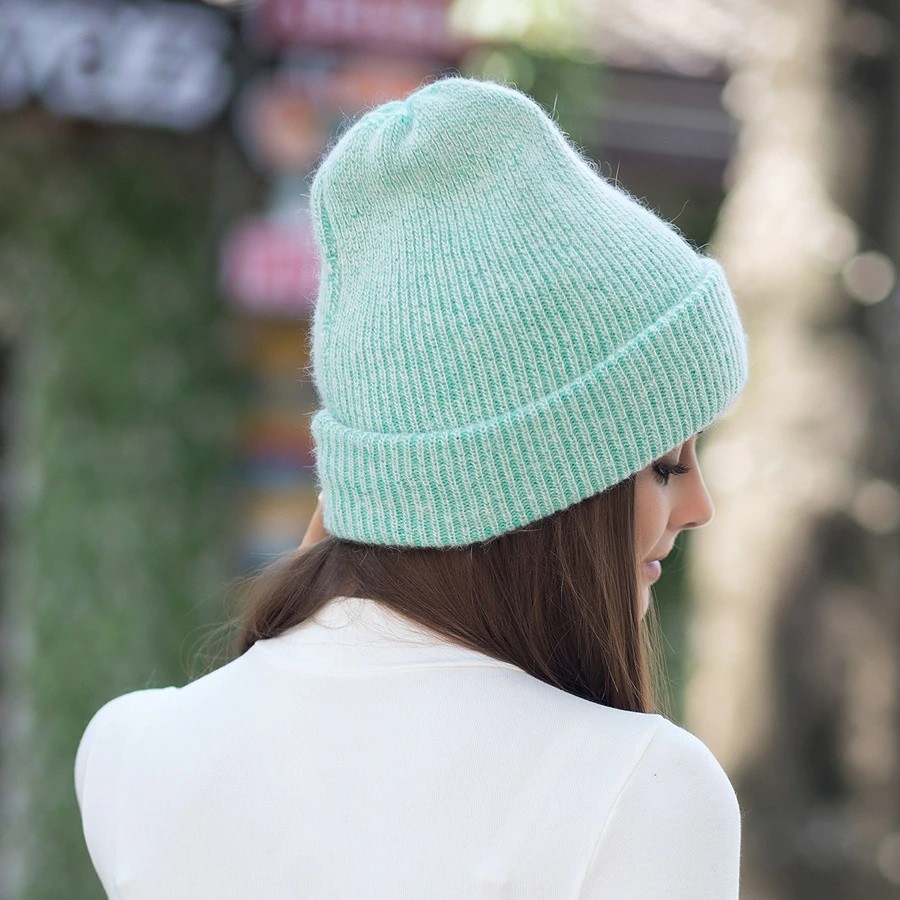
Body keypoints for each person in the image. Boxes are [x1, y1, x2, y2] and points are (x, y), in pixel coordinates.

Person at [74, 75, 749, 898]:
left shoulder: (130, 753)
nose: (699, 507)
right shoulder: (644, 796)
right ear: (530, 484)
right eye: (664, 465)